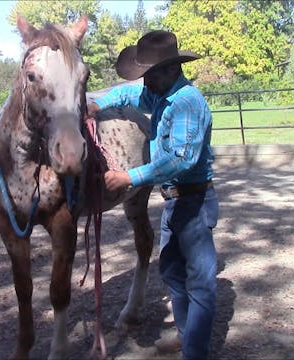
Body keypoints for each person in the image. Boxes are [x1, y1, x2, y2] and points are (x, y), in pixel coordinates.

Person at [87, 30, 219, 359]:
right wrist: (96, 104)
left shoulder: (187, 102)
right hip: (176, 199)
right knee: (173, 271)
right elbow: (128, 95)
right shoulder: (160, 94)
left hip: (193, 199)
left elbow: (180, 159)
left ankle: (196, 352)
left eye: (148, 75)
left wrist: (128, 177)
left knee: (200, 281)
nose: (143, 82)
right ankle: (188, 335)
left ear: (169, 70)